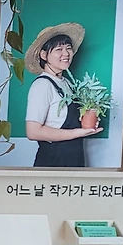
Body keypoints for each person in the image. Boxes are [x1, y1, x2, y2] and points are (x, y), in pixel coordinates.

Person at [24, 23, 100, 167]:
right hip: (54, 159)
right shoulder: (42, 85)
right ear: (44, 55)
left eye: (68, 48)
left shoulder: (67, 83)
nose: (66, 54)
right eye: (59, 49)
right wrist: (76, 133)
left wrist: (88, 123)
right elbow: (33, 132)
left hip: (74, 156)